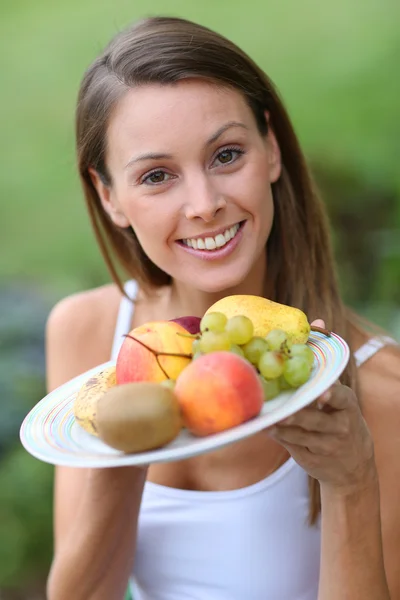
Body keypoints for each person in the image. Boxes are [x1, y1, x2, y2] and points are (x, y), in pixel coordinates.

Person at [45, 16, 400, 600]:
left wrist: (352, 482)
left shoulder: (377, 386)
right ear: (110, 197)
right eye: (157, 175)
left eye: (227, 155)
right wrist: (121, 442)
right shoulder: (86, 333)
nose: (205, 204)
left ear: (273, 149)